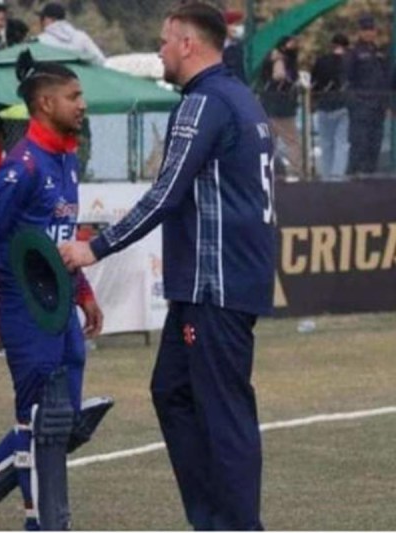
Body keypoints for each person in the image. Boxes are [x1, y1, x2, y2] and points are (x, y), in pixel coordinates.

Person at [59, 4, 274, 529]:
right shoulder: (240, 98)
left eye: (163, 42)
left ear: (187, 44)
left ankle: (237, 527)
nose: (159, 51)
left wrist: (96, 247)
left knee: (223, 414)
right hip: (216, 283)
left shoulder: (204, 103)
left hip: (214, 286)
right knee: (171, 391)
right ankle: (214, 521)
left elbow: (164, 195)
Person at [0, 51, 103, 530]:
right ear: (44, 103)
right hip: (24, 306)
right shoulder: (20, 167)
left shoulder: (66, 158)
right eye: (74, 96)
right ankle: (41, 522)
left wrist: (82, 291)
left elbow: (57, 236)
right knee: (42, 420)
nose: (82, 104)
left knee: (63, 423)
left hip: (60, 303)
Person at [347, 15, 388, 177]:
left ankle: (370, 175)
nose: (369, 33)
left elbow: (385, 78)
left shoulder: (380, 53)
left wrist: (386, 103)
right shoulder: (354, 53)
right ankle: (355, 177)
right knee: (360, 143)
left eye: (371, 30)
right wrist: (355, 102)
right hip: (361, 105)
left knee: (375, 143)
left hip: (378, 105)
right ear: (360, 32)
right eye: (366, 30)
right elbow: (348, 79)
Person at [260, 35, 302, 178]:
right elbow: (279, 75)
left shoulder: (273, 57)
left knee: (270, 142)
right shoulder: (279, 57)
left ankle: (266, 173)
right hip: (281, 108)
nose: (296, 46)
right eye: (293, 43)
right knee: (293, 142)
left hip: (268, 106)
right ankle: (294, 172)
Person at [311, 33, 350, 180]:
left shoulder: (321, 61)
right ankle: (337, 175)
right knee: (341, 142)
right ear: (345, 47)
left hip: (323, 105)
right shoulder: (346, 61)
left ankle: (326, 176)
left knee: (326, 143)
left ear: (332, 45)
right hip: (341, 106)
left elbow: (313, 82)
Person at [37, 2, 106, 65]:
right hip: (79, 77)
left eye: (42, 18)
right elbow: (100, 60)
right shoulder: (82, 37)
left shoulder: (40, 41)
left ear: (47, 19)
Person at [222, 9, 246, 83]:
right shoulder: (218, 47)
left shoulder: (238, 46)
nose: (239, 28)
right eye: (236, 24)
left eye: (240, 24)